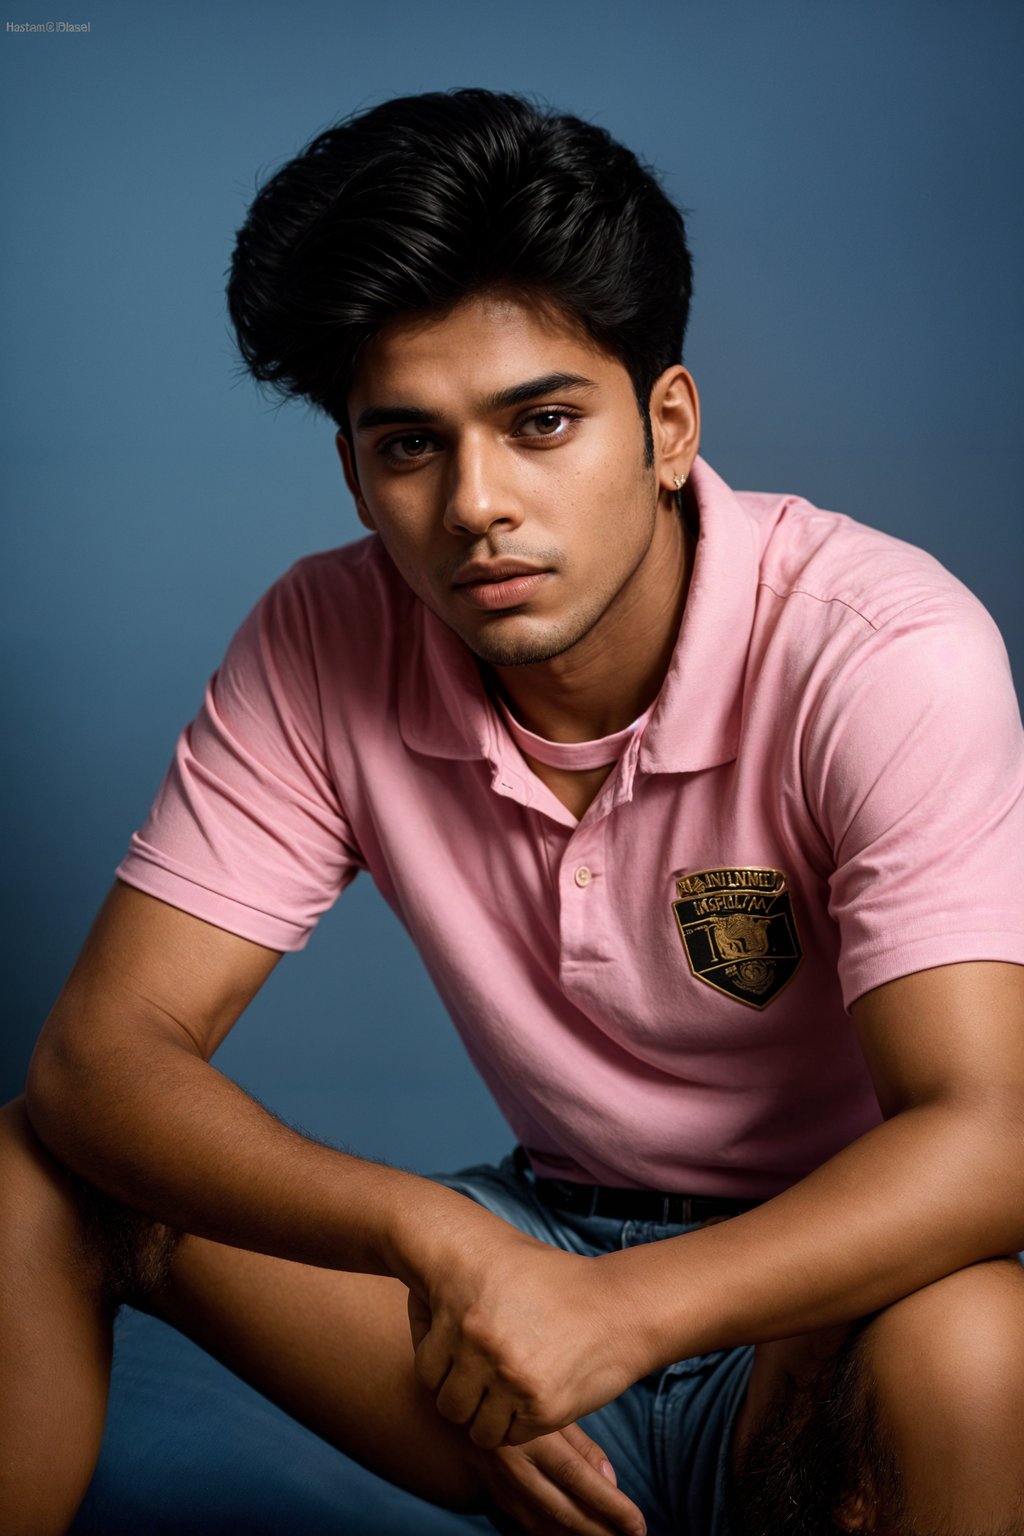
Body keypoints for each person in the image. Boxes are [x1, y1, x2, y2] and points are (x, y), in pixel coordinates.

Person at [2, 87, 1023, 1536]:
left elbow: (992, 1138)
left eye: (541, 422)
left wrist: (620, 1317)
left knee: (981, 1347)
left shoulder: (881, 648)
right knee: (39, 1168)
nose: (476, 504)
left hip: (828, 1305)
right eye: (410, 445)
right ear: (355, 472)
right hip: (526, 1253)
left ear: (667, 424)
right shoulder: (326, 633)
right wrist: (439, 1248)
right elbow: (99, 1060)